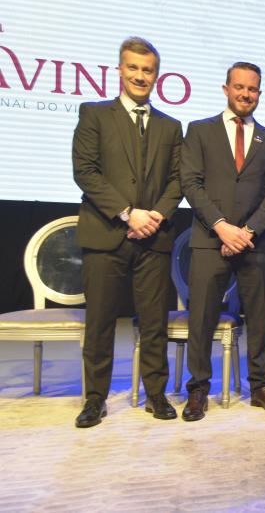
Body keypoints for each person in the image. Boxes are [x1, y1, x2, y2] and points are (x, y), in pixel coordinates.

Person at [71, 37, 183, 427]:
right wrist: (127, 213)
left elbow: (177, 180)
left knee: (154, 323)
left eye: (147, 70)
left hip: (154, 238)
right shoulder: (94, 114)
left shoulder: (171, 126)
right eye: (133, 67)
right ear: (119, 69)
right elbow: (85, 172)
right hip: (105, 235)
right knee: (100, 323)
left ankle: (156, 394)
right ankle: (94, 399)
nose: (139, 75)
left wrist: (155, 215)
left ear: (156, 75)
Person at [179, 62, 265, 421]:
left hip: (256, 242)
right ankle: (198, 388)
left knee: (259, 318)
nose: (246, 94)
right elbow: (190, 183)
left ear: (260, 93)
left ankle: (260, 386)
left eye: (252, 89)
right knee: (201, 318)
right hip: (210, 239)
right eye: (239, 87)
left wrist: (247, 232)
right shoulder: (199, 130)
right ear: (226, 89)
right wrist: (223, 227)